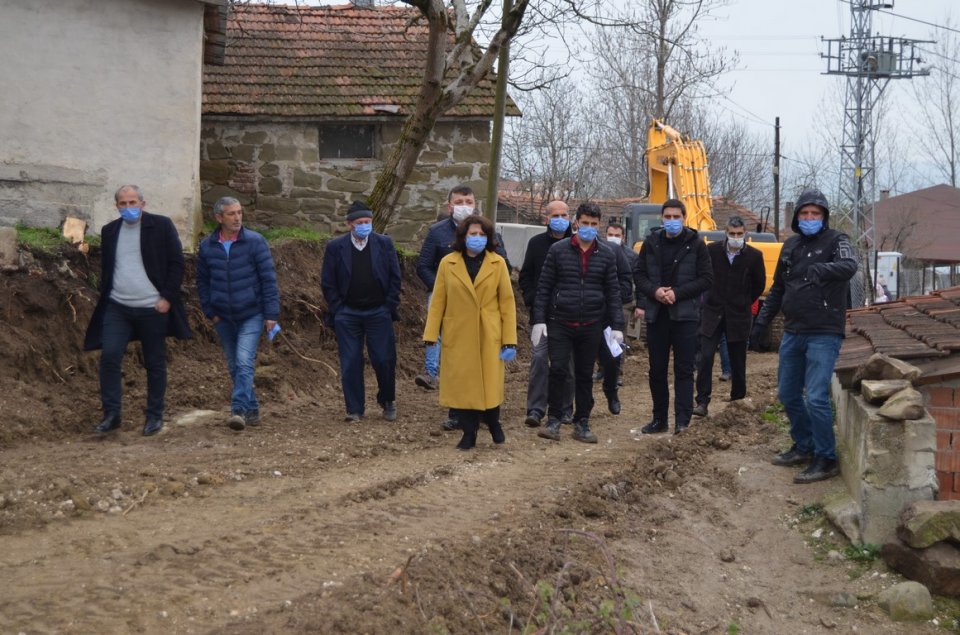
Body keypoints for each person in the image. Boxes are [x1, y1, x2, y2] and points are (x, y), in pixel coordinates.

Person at [750, 188, 857, 484]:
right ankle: (804, 444)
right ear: (797, 217)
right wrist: (760, 323)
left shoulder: (838, 241)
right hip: (793, 332)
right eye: (805, 214)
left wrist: (822, 269)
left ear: (824, 217)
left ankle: (826, 458)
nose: (810, 218)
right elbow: (778, 289)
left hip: (824, 332)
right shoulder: (790, 247)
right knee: (787, 393)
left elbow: (850, 266)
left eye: (816, 214)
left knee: (817, 398)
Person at [84, 185, 192, 436]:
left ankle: (154, 415)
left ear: (143, 204)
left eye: (133, 202)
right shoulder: (109, 231)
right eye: (123, 203)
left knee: (154, 362)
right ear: (117, 206)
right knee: (110, 356)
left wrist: (167, 297)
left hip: (152, 307)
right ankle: (112, 414)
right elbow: (108, 267)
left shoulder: (161, 226)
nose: (129, 207)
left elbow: (177, 264)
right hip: (118, 307)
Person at [414, 185, 511, 431]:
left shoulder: (490, 234)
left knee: (482, 363)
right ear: (450, 206)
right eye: (460, 201)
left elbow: (505, 270)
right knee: (456, 362)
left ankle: (483, 412)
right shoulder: (437, 233)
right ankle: (454, 409)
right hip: (450, 304)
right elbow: (423, 265)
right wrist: (441, 288)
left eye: (469, 200)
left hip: (483, 313)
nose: (464, 204)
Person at [532, 202, 624, 444]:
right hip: (560, 321)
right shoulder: (559, 251)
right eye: (585, 223)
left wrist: (617, 326)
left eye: (594, 224)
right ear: (576, 223)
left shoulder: (606, 254)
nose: (589, 228)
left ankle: (582, 422)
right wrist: (539, 320)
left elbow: (613, 291)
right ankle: (553, 420)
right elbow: (544, 287)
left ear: (599, 225)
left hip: (591, 322)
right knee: (558, 369)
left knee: (585, 374)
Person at [196, 196, 280, 431]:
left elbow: (268, 279)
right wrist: (209, 310)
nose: (237, 218)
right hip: (222, 316)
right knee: (235, 366)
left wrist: (271, 314)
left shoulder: (255, 242)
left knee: (244, 362)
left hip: (251, 313)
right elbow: (202, 281)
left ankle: (238, 410)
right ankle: (252, 410)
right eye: (232, 214)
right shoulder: (207, 246)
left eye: (240, 212)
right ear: (219, 218)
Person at [634, 199, 713, 435]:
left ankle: (682, 421)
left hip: (685, 316)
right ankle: (660, 419)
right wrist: (655, 292)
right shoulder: (651, 243)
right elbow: (639, 274)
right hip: (657, 315)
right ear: (661, 218)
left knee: (684, 370)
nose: (671, 221)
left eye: (675, 217)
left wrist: (677, 293)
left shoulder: (696, 245)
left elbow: (706, 279)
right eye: (667, 217)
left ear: (684, 218)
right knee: (657, 369)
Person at [321, 200, 402, 423]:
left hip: (378, 311)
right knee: (350, 361)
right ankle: (354, 409)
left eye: (368, 222)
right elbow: (328, 282)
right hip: (348, 314)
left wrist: (388, 305)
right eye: (360, 222)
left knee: (384, 358)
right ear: (349, 224)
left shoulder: (384, 244)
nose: (364, 225)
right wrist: (338, 309)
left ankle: (387, 401)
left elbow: (395, 277)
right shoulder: (335, 248)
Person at [692, 216, 765, 418]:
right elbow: (703, 276)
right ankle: (702, 401)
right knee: (705, 357)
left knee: (737, 360)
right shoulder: (712, 251)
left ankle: (738, 399)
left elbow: (759, 285)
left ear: (745, 234)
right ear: (725, 233)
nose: (735, 238)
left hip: (739, 315)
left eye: (739, 234)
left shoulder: (754, 256)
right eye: (732, 234)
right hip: (712, 312)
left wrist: (743, 300)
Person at [518, 200, 574, 428]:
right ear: (546, 219)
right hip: (541, 315)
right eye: (555, 215)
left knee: (567, 364)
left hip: (570, 315)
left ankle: (564, 409)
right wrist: (533, 300)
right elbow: (526, 276)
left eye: (564, 215)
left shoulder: (577, 244)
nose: (560, 219)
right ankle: (536, 409)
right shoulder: (537, 244)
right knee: (540, 360)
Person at [594, 222, 636, 414]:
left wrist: (614, 296)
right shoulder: (569, 250)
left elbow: (629, 281)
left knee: (613, 355)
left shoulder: (617, 252)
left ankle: (612, 389)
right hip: (584, 314)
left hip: (613, 312)